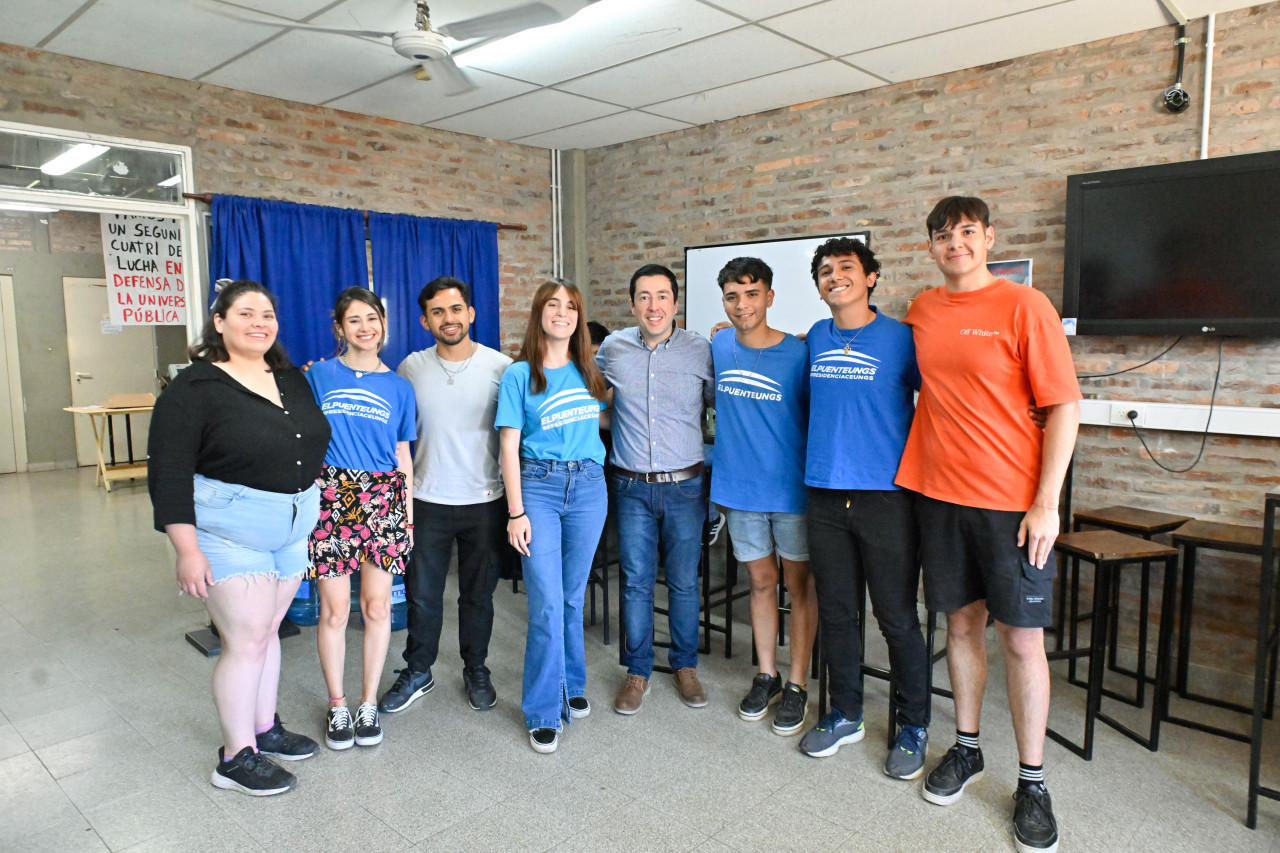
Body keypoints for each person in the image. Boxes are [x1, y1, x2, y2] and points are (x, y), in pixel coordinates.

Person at [896, 196, 1080, 853]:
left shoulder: (1025, 306)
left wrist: (1046, 501)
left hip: (1012, 504)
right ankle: (967, 747)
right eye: (943, 235)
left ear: (988, 238)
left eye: (966, 232)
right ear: (932, 247)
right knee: (960, 624)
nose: (955, 244)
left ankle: (1032, 781)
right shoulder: (921, 308)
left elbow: (1063, 406)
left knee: (1023, 641)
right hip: (938, 497)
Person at [148, 280, 329, 796]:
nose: (259, 323)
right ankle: (234, 757)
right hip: (229, 530)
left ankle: (263, 727)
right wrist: (186, 548)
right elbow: (169, 471)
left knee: (267, 633)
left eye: (267, 314)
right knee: (244, 641)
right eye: (245, 313)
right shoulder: (195, 387)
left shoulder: (290, 377)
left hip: (293, 525)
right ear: (220, 323)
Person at [797, 237, 933, 782]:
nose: (835, 277)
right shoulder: (814, 337)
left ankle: (913, 725)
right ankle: (846, 713)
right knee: (836, 613)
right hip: (824, 493)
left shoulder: (902, 340)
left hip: (886, 498)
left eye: (846, 268)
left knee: (897, 617)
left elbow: (943, 402)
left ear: (871, 276)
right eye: (825, 271)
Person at [379, 276, 512, 714]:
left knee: (478, 596)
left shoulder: (502, 367)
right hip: (427, 500)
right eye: (437, 312)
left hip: (486, 501)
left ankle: (476, 667)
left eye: (456, 309)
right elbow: (391, 430)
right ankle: (418, 670)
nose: (448, 318)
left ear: (471, 314)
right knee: (423, 595)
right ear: (424, 320)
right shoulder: (409, 368)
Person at [496, 280, 609, 753]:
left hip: (588, 486)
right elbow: (507, 445)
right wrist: (515, 511)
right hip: (538, 488)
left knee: (570, 597)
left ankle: (572, 682)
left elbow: (601, 420)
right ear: (539, 314)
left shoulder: (590, 370)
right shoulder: (519, 374)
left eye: (570, 307)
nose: (562, 313)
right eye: (553, 305)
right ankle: (543, 709)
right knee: (544, 601)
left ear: (579, 317)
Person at [596, 264, 715, 715]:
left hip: (686, 487)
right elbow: (593, 399)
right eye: (644, 297)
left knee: (684, 583)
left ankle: (685, 667)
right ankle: (638, 671)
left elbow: (722, 406)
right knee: (635, 583)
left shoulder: (700, 350)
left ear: (675, 303)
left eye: (662, 296)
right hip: (630, 487)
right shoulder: (613, 348)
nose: (654, 306)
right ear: (632, 305)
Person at [709, 257, 816, 736]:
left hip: (791, 490)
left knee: (799, 588)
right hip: (740, 489)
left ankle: (798, 683)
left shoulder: (799, 353)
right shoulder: (718, 343)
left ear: (769, 297)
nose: (742, 304)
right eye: (732, 296)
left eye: (752, 294)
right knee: (760, 583)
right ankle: (767, 674)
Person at [306, 287, 415, 750]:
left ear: (383, 325)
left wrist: (407, 517)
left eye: (372, 318)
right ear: (340, 328)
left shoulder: (400, 387)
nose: (365, 328)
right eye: (354, 320)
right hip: (331, 495)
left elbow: (403, 453)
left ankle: (369, 702)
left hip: (384, 496)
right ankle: (337, 705)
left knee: (376, 607)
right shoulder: (318, 376)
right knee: (333, 611)